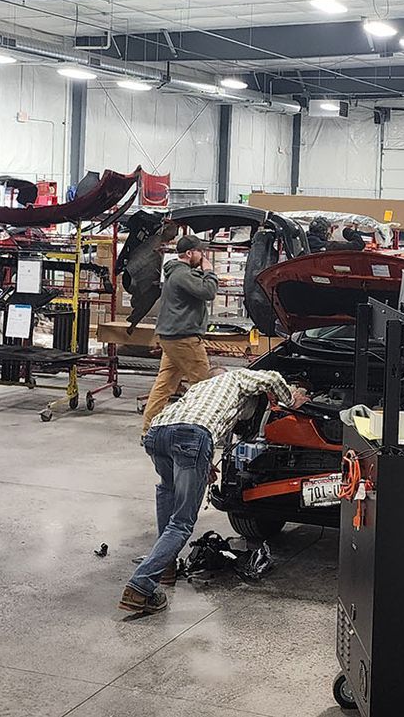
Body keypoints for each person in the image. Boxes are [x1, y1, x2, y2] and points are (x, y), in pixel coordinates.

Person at [119, 368, 309, 615]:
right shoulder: (237, 377)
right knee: (182, 523)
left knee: (169, 490)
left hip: (158, 433)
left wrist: (203, 464)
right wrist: (290, 400)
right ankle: (140, 587)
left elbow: (186, 428)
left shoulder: (199, 388)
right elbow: (273, 377)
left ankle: (165, 567)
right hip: (192, 436)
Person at [143, 233, 219, 432]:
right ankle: (202, 430)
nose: (202, 256)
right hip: (184, 338)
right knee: (203, 386)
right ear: (189, 253)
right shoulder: (183, 274)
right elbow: (208, 292)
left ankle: (148, 429)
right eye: (200, 252)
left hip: (171, 337)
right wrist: (209, 272)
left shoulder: (174, 272)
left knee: (164, 385)